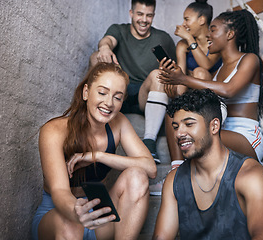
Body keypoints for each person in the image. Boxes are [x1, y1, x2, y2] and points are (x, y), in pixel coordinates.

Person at [31, 62, 157, 240]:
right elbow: (60, 191)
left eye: (118, 97)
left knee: (137, 176)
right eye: (102, 93)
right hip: (58, 216)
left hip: (99, 214)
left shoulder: (119, 123)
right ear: (86, 92)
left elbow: (150, 168)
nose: (109, 103)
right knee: (70, 224)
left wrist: (98, 156)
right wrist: (77, 212)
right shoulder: (54, 131)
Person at [153, 89, 263, 240]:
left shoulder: (250, 176)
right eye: (175, 127)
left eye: (189, 124)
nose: (179, 133)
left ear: (214, 126)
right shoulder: (174, 180)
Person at [158, 9, 263, 164]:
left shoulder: (249, 59)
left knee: (199, 133)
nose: (208, 35)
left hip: (245, 136)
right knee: (174, 115)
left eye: (213, 30)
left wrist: (184, 79)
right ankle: (176, 170)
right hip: (219, 130)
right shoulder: (218, 70)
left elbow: (229, 90)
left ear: (230, 34)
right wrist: (174, 83)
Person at [150, 0, 223, 196]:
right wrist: (172, 78)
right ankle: (176, 166)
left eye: (186, 19)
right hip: (188, 91)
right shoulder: (182, 44)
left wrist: (189, 39)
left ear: (201, 20)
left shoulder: (213, 40)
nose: (183, 23)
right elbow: (181, 75)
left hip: (209, 96)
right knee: (173, 95)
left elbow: (206, 65)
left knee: (199, 72)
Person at [90, 0, 176, 164]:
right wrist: (105, 48)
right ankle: (86, 115)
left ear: (153, 16)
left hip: (145, 97)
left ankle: (149, 142)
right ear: (131, 13)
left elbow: (176, 73)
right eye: (140, 14)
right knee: (95, 57)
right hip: (119, 91)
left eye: (149, 15)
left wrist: (169, 72)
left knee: (157, 75)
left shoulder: (163, 38)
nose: (144, 20)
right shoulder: (119, 30)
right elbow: (107, 41)